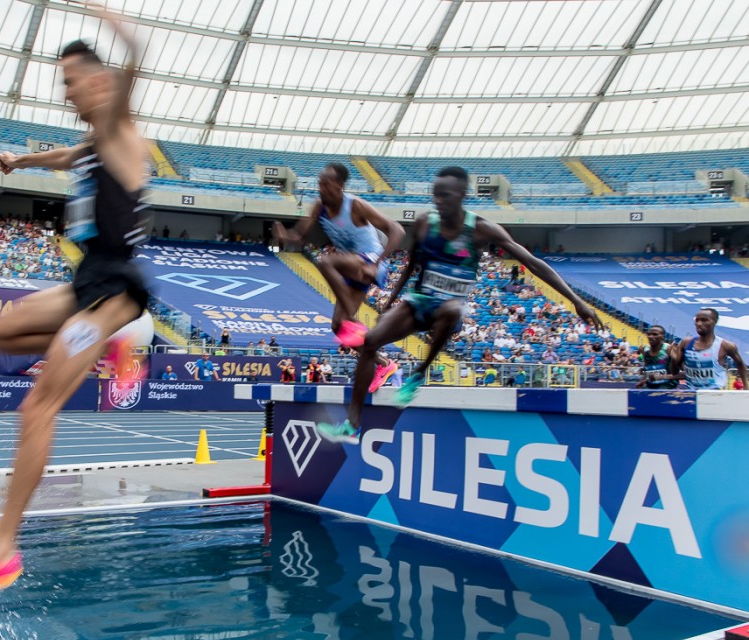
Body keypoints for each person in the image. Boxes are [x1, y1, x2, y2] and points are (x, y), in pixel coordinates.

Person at [0, 9, 152, 606]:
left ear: (98, 82)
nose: (66, 92)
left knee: (37, 407)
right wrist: (19, 162)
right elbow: (63, 159)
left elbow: (137, 56)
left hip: (115, 289)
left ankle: (0, 550)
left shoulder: (119, 126)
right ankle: (109, 346)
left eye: (72, 81)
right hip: (88, 278)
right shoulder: (93, 145)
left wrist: (106, 17)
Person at [318, 166, 602, 444]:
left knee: (453, 308)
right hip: (419, 302)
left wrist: (576, 301)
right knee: (370, 341)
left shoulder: (481, 230)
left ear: (463, 195)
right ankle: (352, 425)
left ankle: (418, 374)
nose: (439, 201)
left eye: (446, 196)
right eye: (435, 195)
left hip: (448, 311)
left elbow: (533, 262)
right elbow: (411, 265)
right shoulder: (425, 223)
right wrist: (391, 301)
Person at [273, 164, 405, 392]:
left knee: (326, 261)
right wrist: (285, 235)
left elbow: (397, 230)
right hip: (350, 266)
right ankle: (385, 364)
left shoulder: (355, 206)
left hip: (370, 261)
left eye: (326, 184)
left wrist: (376, 263)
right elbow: (299, 236)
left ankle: (353, 320)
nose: (321, 188)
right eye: (320, 183)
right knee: (338, 326)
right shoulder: (320, 206)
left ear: (340, 185)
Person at [671, 308, 747, 390]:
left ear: (715, 321)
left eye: (704, 320)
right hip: (692, 392)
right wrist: (674, 360)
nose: (699, 324)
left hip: (715, 392)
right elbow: (674, 372)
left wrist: (746, 386)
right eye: (697, 320)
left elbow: (740, 364)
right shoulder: (686, 343)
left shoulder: (725, 346)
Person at [636, 325, 677, 390]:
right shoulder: (645, 349)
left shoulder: (669, 349)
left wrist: (660, 377)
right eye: (649, 334)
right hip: (650, 387)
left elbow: (679, 374)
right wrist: (643, 380)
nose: (650, 337)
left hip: (667, 387)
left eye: (655, 334)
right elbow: (648, 369)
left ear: (663, 337)